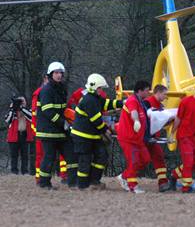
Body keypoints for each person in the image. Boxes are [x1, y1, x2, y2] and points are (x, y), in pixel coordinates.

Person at [70, 73, 123, 190]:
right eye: (100, 88)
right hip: (82, 137)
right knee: (85, 160)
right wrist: (107, 131)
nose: (101, 90)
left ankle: (94, 181)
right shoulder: (89, 100)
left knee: (102, 156)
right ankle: (82, 185)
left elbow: (107, 103)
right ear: (94, 87)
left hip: (92, 136)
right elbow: (96, 120)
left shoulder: (96, 98)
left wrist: (124, 103)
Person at [36, 61, 78, 189]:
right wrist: (63, 122)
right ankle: (43, 183)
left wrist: (70, 118)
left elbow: (63, 109)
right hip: (48, 132)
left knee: (71, 155)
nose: (59, 75)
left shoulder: (61, 89)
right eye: (56, 73)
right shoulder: (46, 90)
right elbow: (48, 111)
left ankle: (73, 183)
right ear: (50, 74)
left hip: (61, 131)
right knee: (49, 157)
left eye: (60, 73)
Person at [116, 80, 151, 193]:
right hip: (128, 138)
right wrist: (136, 121)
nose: (148, 93)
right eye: (147, 91)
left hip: (137, 138)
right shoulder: (132, 101)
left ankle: (124, 176)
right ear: (140, 91)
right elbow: (134, 112)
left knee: (145, 159)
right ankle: (133, 186)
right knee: (133, 161)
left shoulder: (141, 101)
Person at [143, 84, 170, 192]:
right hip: (145, 137)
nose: (166, 97)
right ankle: (126, 178)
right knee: (141, 160)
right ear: (158, 92)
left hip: (153, 138)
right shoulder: (147, 103)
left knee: (159, 157)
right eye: (165, 94)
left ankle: (163, 183)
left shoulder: (160, 106)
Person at [5, 96, 33, 175]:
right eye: (20, 101)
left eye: (23, 101)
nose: (22, 103)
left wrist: (22, 109)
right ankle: (14, 171)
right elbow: (8, 120)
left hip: (25, 135)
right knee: (14, 155)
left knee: (25, 155)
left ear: (26, 102)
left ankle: (25, 172)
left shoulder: (28, 111)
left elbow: (31, 117)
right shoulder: (13, 111)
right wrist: (12, 109)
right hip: (14, 136)